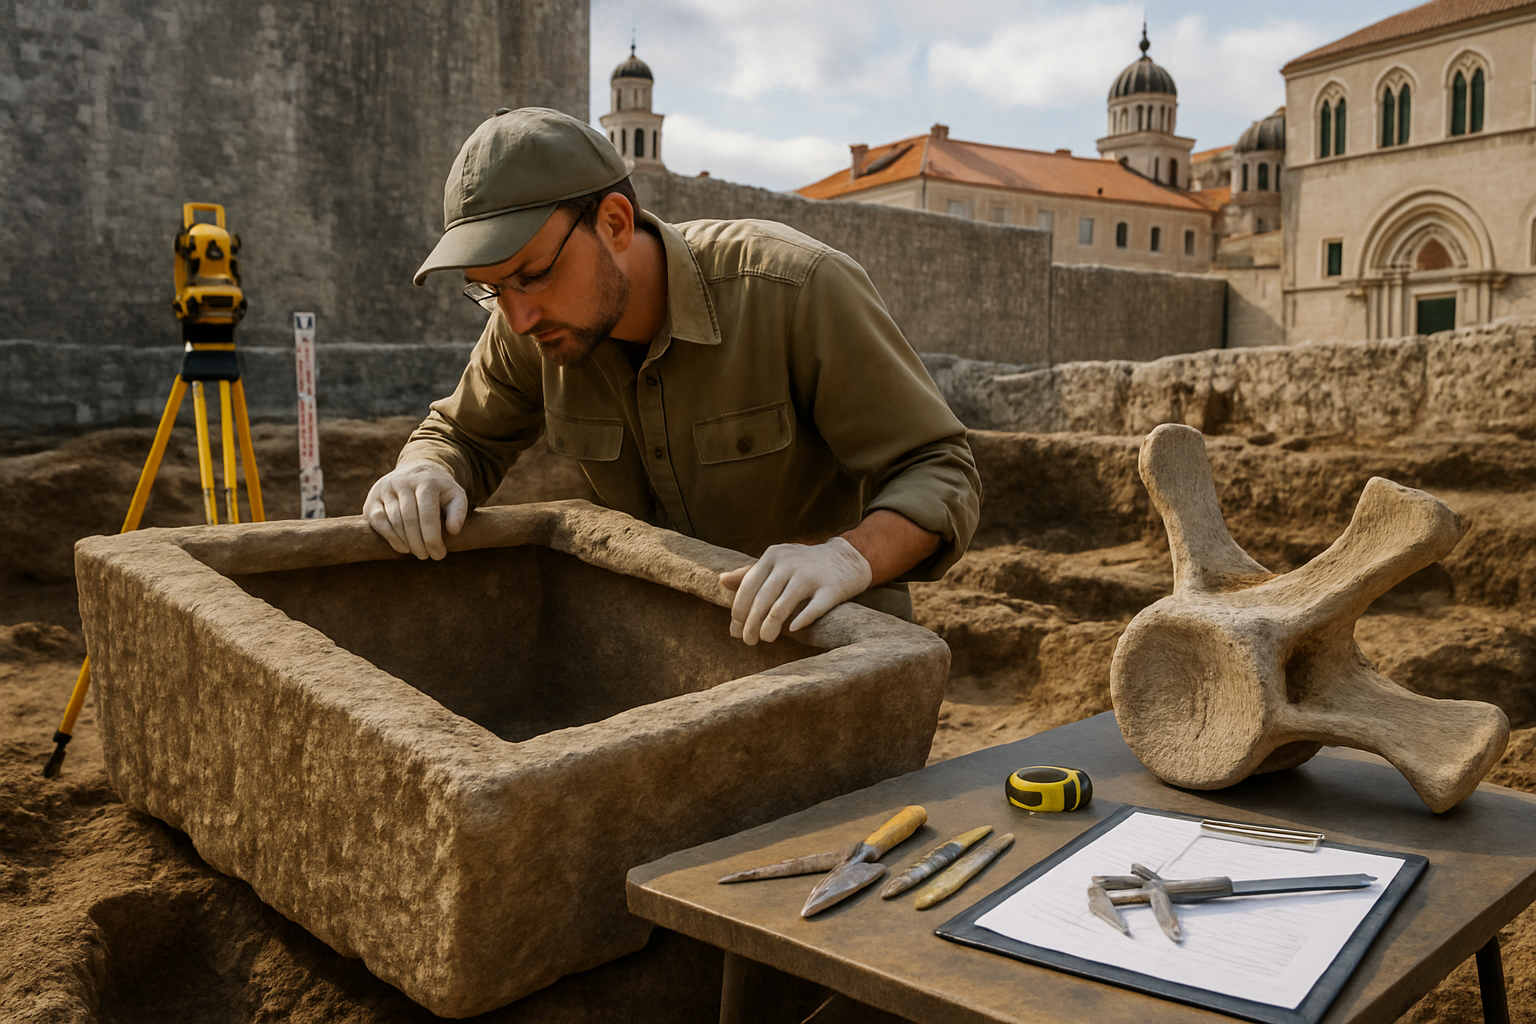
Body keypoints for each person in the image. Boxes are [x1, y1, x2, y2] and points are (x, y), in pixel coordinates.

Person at [365, 107, 980, 645]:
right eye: (491, 288)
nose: (517, 315)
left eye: (534, 274)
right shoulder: (530, 326)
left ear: (614, 223)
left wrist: (847, 558)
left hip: (829, 648)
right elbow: (461, 436)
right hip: (666, 651)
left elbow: (939, 468)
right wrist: (423, 472)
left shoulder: (794, 291)